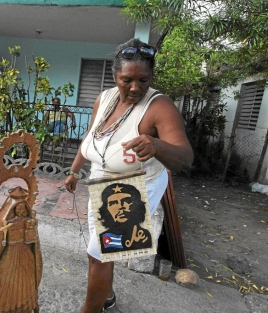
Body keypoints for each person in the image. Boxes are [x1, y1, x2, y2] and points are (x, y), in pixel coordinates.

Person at [64, 38, 193, 313]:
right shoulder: (105, 98)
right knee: (96, 250)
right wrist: (74, 170)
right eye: (127, 80)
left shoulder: (160, 107)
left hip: (135, 188)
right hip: (101, 180)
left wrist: (157, 145)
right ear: (115, 76)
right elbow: (91, 137)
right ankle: (106, 296)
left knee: (100, 255)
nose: (135, 88)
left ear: (151, 77)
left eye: (143, 80)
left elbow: (185, 158)